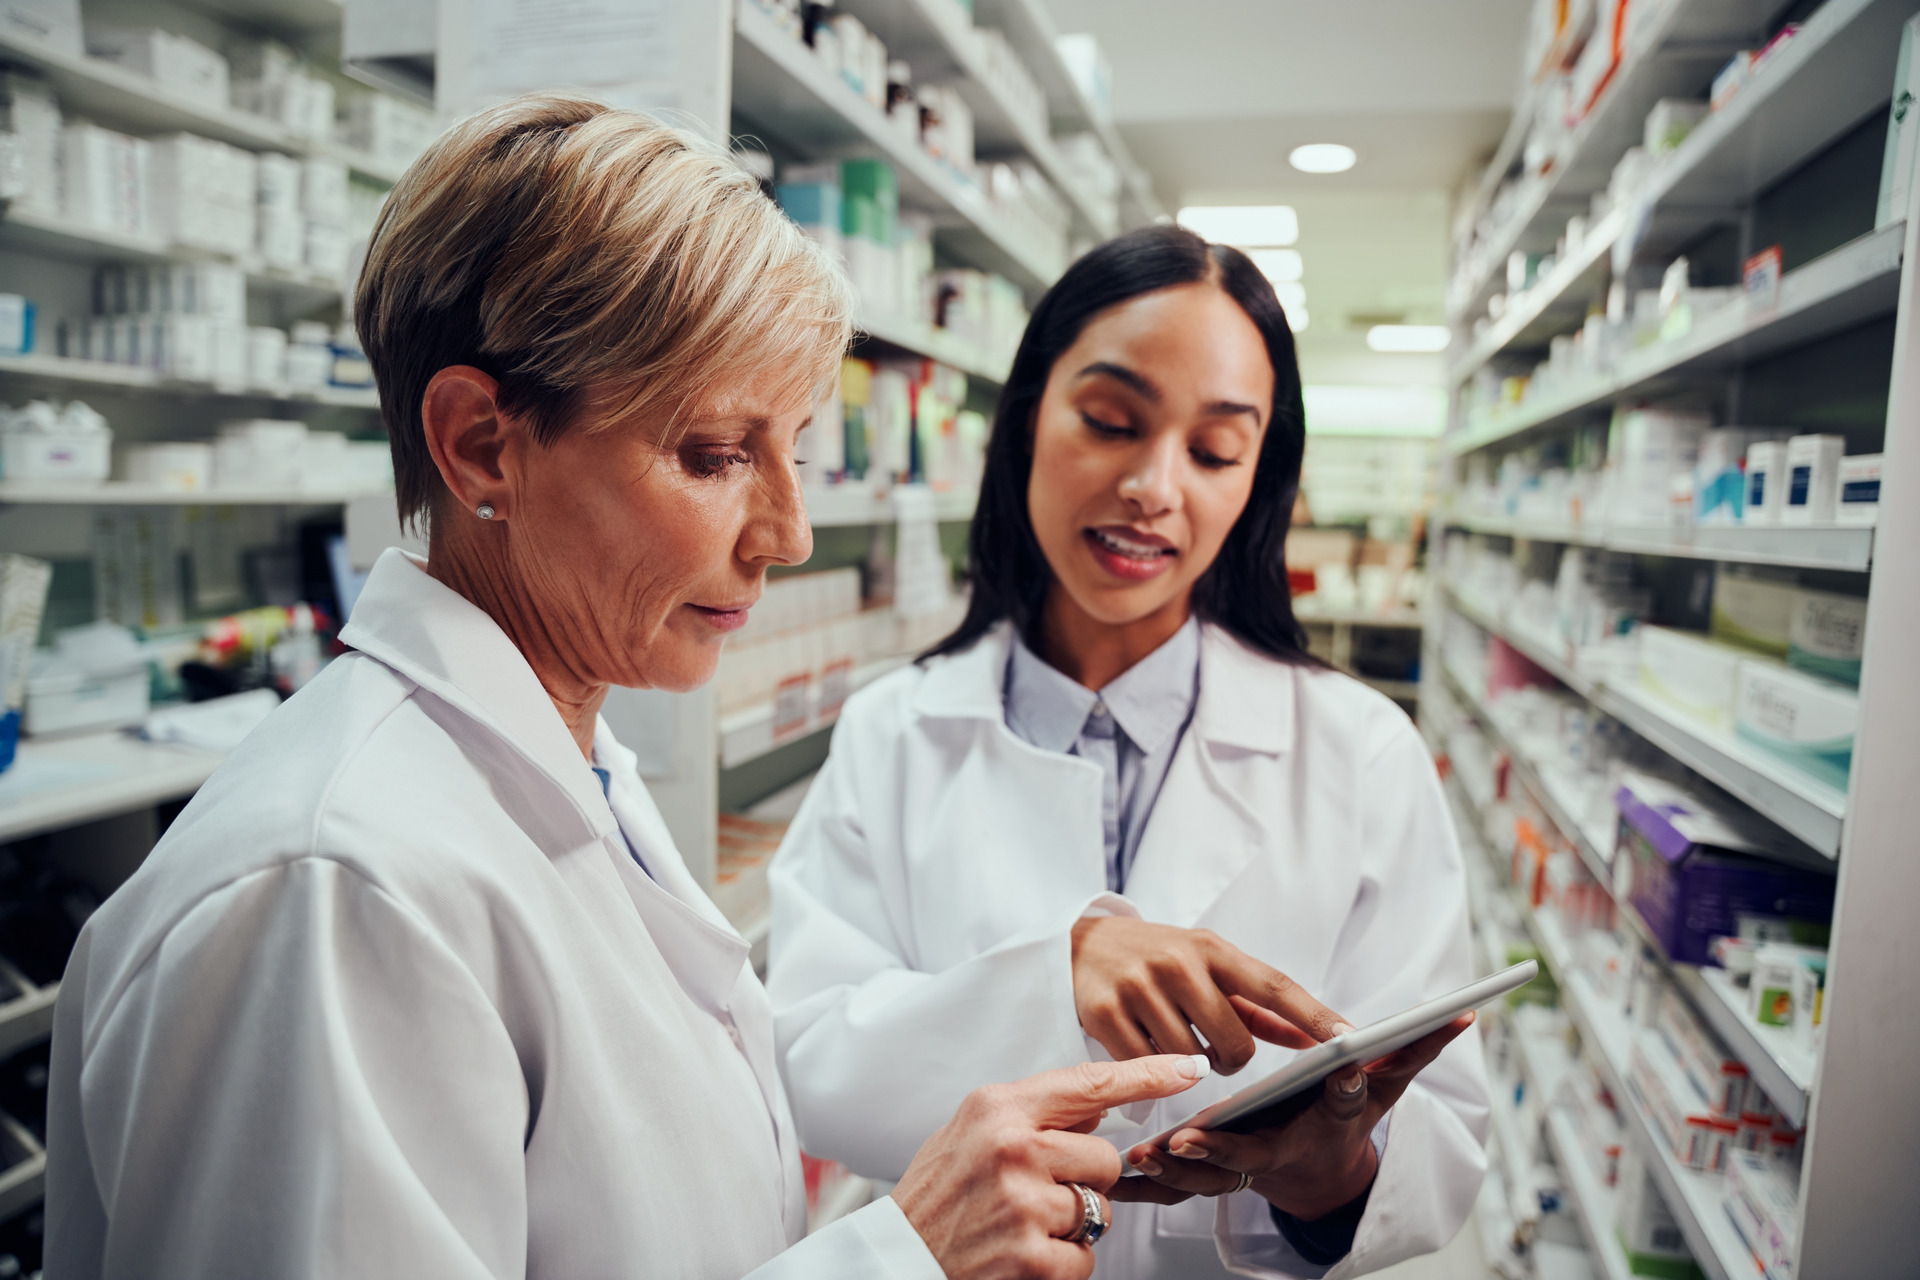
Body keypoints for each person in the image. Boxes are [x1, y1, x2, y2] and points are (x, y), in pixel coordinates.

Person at [40, 96, 1232, 1280]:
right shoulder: (334, 891)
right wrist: (899, 1258)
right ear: (480, 445)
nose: (790, 532)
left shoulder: (567, 758)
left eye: (796, 449)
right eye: (716, 454)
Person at [767, 226, 1490, 1280]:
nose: (1156, 486)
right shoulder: (896, 731)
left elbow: (1446, 1133)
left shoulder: (1361, 750)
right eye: (1111, 421)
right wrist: (1055, 982)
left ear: (1257, 482)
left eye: (1213, 451)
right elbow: (810, 1055)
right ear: (1024, 423)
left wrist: (1327, 1172)